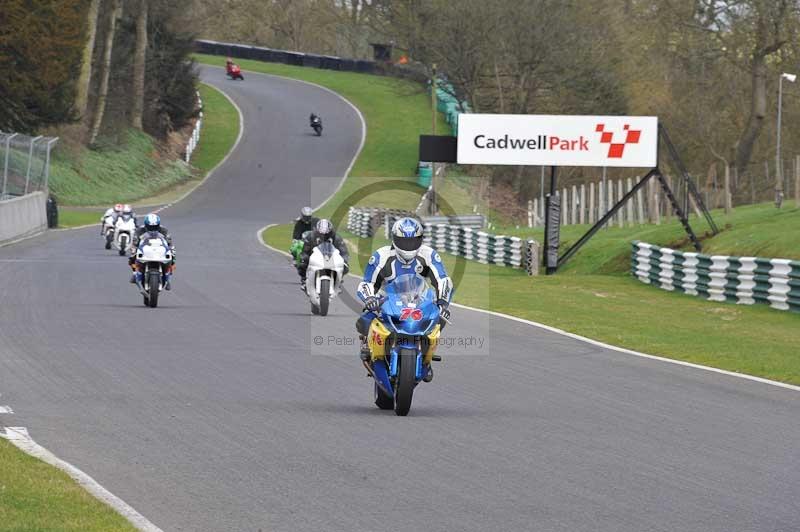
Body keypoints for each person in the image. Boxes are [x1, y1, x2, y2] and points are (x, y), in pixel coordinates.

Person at [356, 217, 453, 382]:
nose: (409, 246)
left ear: (421, 239)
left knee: (441, 316)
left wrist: (442, 303)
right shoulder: (381, 256)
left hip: (418, 299)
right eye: (404, 241)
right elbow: (367, 283)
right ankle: (368, 347)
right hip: (386, 299)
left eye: (413, 241)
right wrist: (370, 298)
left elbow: (442, 280)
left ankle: (427, 359)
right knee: (366, 316)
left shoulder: (429, 255)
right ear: (394, 239)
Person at [296, 218, 349, 289]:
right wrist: (304, 257)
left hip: (331, 257)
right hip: (314, 256)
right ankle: (304, 280)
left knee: (345, 267)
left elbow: (343, 251)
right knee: (302, 264)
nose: (324, 235)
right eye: (321, 233)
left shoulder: (336, 237)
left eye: (326, 234)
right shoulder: (311, 236)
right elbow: (305, 250)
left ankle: (338, 280)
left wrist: (344, 260)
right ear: (317, 230)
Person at [129, 213, 175, 289]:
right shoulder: (140, 230)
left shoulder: (164, 230)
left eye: (155, 226)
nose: (152, 228)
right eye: (150, 227)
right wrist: (135, 248)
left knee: (172, 255)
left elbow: (169, 242)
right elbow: (135, 242)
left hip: (159, 248)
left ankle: (168, 278)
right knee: (132, 255)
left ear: (158, 225)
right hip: (145, 248)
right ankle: (134, 273)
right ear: (146, 225)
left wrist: (170, 248)